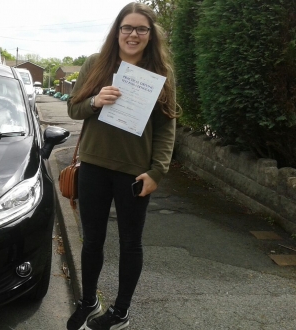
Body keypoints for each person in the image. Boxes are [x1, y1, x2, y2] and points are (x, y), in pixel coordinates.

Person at [65, 2, 180, 330]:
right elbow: (74, 110)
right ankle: (89, 301)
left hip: (135, 172)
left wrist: (158, 171)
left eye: (141, 29)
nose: (133, 34)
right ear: (117, 31)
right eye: (127, 28)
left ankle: (120, 312)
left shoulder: (160, 75)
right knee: (92, 241)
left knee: (131, 243)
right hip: (94, 166)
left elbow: (166, 129)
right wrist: (95, 101)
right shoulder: (96, 65)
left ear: (150, 34)